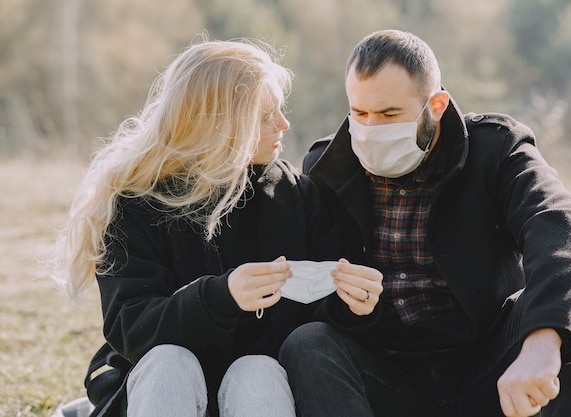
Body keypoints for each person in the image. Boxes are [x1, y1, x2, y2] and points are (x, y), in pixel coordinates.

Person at [278, 29, 571, 417]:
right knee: (308, 343)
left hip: (490, 366)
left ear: (436, 105)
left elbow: (561, 228)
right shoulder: (327, 168)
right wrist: (346, 308)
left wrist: (543, 343)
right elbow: (312, 294)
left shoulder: (496, 149)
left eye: (390, 114)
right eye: (359, 113)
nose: (371, 128)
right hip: (388, 375)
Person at [51, 35, 383, 417]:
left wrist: (351, 306)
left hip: (260, 393)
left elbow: (314, 326)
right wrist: (220, 297)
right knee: (169, 361)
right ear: (217, 125)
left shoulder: (301, 196)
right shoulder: (137, 203)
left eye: (280, 110)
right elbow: (131, 329)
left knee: (255, 369)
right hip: (166, 391)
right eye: (264, 116)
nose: (283, 124)